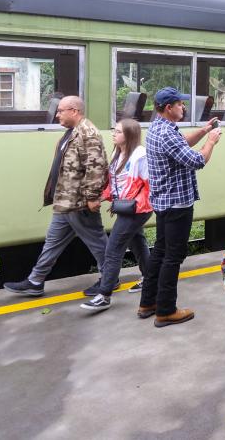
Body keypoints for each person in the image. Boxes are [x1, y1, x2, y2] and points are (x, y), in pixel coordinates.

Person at [5, 96, 109, 297]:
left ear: (74, 111)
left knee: (97, 243)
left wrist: (92, 196)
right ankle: (35, 281)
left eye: (61, 111)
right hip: (65, 202)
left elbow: (96, 167)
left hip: (79, 203)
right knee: (52, 243)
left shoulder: (88, 133)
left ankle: (109, 278)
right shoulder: (72, 133)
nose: (57, 115)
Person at [138, 87, 222, 327]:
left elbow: (182, 143)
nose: (183, 108)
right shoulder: (167, 133)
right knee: (173, 257)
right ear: (168, 108)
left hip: (163, 201)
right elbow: (197, 160)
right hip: (177, 204)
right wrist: (211, 141)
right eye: (180, 104)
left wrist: (205, 129)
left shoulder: (158, 127)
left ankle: (148, 303)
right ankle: (165, 310)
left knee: (160, 252)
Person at [80, 118, 152, 312]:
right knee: (137, 242)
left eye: (118, 131)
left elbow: (150, 185)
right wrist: (102, 197)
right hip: (125, 207)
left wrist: (135, 204)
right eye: (114, 130)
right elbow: (115, 185)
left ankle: (104, 295)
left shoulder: (140, 155)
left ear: (129, 135)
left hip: (136, 210)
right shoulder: (118, 152)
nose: (113, 134)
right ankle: (150, 278)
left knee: (113, 250)